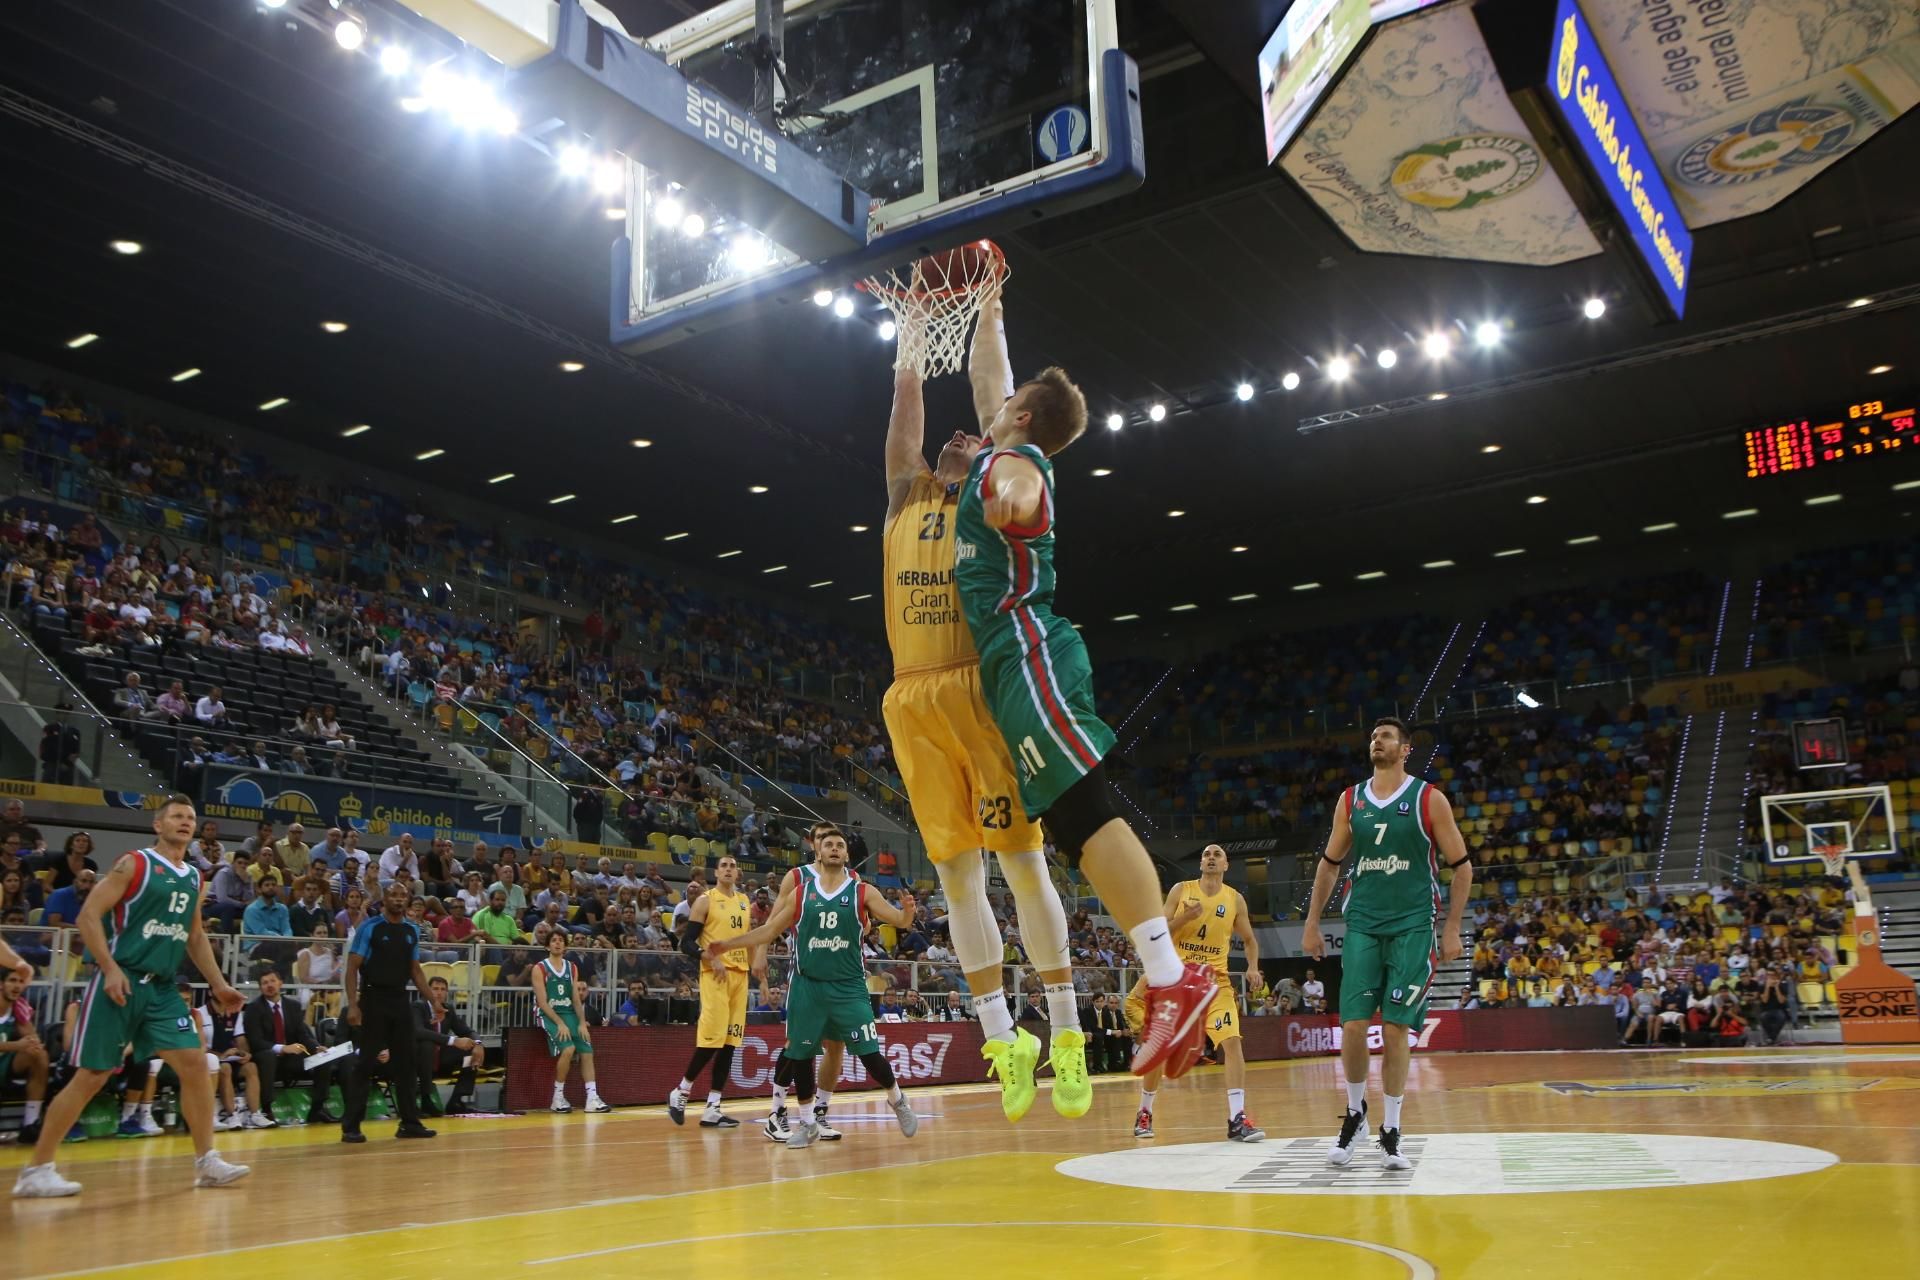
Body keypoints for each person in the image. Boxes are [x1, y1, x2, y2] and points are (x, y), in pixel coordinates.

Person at [948, 291, 1213, 1078]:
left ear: (1022, 417)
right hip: (1011, 664)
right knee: (1070, 823)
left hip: (1027, 648)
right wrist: (988, 302)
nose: (994, 406)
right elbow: (987, 373)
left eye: (1008, 405)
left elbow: (1023, 491)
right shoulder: (1000, 447)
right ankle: (1167, 978)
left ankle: (1172, 979)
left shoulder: (1019, 464)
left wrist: (1003, 497)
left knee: (1087, 807)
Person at [876, 329, 1090, 1124]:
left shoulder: (995, 489)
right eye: (957, 436)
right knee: (956, 880)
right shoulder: (906, 496)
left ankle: (1066, 1031)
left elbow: (1004, 416)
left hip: (979, 687)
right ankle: (1003, 1039)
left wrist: (988, 319)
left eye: (977, 434)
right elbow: (906, 428)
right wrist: (911, 342)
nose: (965, 433)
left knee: (1023, 866)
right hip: (912, 698)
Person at [12, 796, 251, 1197]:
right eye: (177, 816)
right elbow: (88, 915)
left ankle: (207, 1161)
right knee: (92, 1075)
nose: (185, 822)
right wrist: (109, 968)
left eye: (190, 818)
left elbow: (194, 935)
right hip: (123, 980)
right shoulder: (134, 863)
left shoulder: (194, 876)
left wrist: (219, 983)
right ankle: (36, 1170)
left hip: (162, 987)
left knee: (196, 1064)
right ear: (158, 825)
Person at [1302, 716, 1473, 1172]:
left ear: (1405, 749)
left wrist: (1452, 927)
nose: (1377, 741)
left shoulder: (1429, 799)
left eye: (1386, 737)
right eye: (1374, 737)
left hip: (1413, 925)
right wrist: (1313, 921)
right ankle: (1355, 1114)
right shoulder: (1351, 799)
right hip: (1362, 922)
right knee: (1353, 1026)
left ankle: (1392, 1128)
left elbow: (1462, 866)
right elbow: (1330, 863)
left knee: (1396, 1029)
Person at [706, 822, 920, 1148]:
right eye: (828, 844)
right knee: (802, 1053)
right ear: (818, 852)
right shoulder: (801, 891)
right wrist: (727, 944)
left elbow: (899, 921)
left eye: (840, 845)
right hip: (808, 985)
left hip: (848, 986)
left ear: (846, 855)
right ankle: (807, 1123)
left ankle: (897, 1099)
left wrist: (907, 913)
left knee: (868, 1053)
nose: (834, 848)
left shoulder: (863, 891)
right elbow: (769, 930)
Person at [1127, 844, 1264, 1143]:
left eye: (1217, 855)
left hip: (1216, 983)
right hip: (1176, 979)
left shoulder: (1234, 899)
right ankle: (1145, 1111)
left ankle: (1237, 1118)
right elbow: (1159, 932)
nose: (1211, 858)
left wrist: (1253, 967)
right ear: (1201, 863)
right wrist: (1184, 919)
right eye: (1206, 855)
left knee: (1232, 1042)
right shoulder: (1181, 890)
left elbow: (1250, 940)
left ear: (1226, 865)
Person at [340, 880, 437, 1144]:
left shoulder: (411, 930)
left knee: (407, 1063)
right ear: (384, 898)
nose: (398, 899)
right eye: (393, 895)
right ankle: (351, 1126)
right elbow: (352, 967)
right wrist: (353, 1004)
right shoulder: (370, 927)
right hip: (373, 998)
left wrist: (433, 1001)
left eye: (402, 895)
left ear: (407, 900)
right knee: (365, 1063)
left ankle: (409, 1123)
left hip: (399, 999)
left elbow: (415, 970)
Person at [667, 855, 758, 1129]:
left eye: (733, 866)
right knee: (712, 1042)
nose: (729, 869)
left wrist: (761, 977)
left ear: (738, 873)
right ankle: (681, 1090)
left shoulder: (744, 901)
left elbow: (749, 940)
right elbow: (686, 943)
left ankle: (713, 1108)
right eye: (724, 866)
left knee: (730, 1044)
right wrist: (710, 957)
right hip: (715, 976)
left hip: (740, 976)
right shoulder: (705, 900)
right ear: (716, 873)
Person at [241, 969, 338, 1127]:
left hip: (292, 1058)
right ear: (260, 988)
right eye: (265, 983)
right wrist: (282, 1048)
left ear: (280, 983)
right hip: (266, 1057)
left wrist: (316, 1047)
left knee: (323, 1059)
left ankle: (317, 1109)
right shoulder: (253, 1008)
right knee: (267, 1057)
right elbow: (255, 1041)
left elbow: (302, 1034)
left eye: (272, 981)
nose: (269, 985)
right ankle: (267, 1109)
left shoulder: (293, 1005)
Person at [531, 931, 611, 1114]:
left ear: (565, 946)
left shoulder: (572, 967)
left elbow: (575, 998)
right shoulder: (539, 968)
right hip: (547, 1013)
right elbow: (542, 1002)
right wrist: (560, 1023)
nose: (557, 943)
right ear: (547, 946)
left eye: (561, 940)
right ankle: (557, 1098)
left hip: (568, 1012)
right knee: (568, 1049)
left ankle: (592, 1098)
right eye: (553, 940)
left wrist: (582, 1022)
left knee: (587, 1049)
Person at [413, 975, 481, 1116]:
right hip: (418, 1060)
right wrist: (452, 1040)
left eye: (443, 989)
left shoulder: (448, 1009)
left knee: (470, 1053)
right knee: (427, 1044)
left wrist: (478, 1044)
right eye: (435, 989)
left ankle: (456, 1101)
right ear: (427, 991)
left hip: (441, 1059)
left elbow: (467, 1031)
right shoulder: (418, 1006)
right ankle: (426, 1100)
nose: (439, 993)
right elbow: (418, 1031)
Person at [0, 967, 49, 1143]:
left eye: (21, 982)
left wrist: (33, 1045)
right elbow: (19, 1045)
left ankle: (30, 1124)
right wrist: (17, 1045)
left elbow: (32, 1038)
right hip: (7, 1054)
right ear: (1, 984)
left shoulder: (18, 1008)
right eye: (12, 980)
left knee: (39, 1055)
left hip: (5, 1062)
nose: (17, 986)